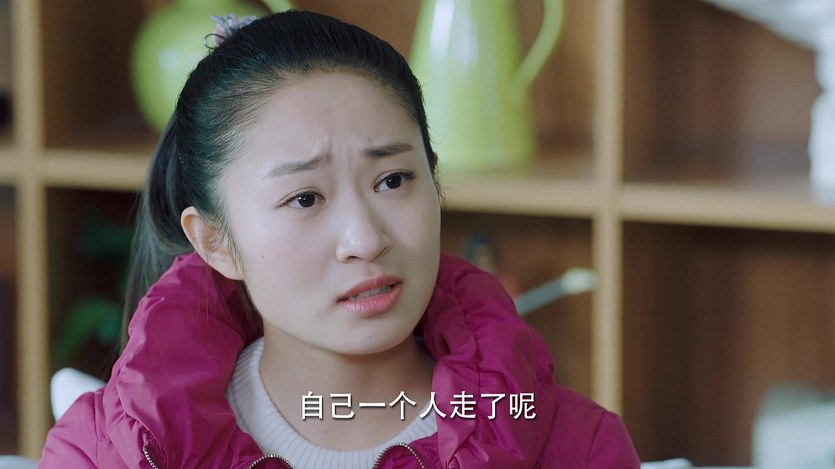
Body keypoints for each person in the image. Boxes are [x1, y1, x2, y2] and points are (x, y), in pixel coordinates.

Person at [38, 10, 640, 468]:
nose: (365, 239)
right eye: (305, 198)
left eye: (393, 180)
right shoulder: (104, 452)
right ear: (216, 242)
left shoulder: (571, 445)